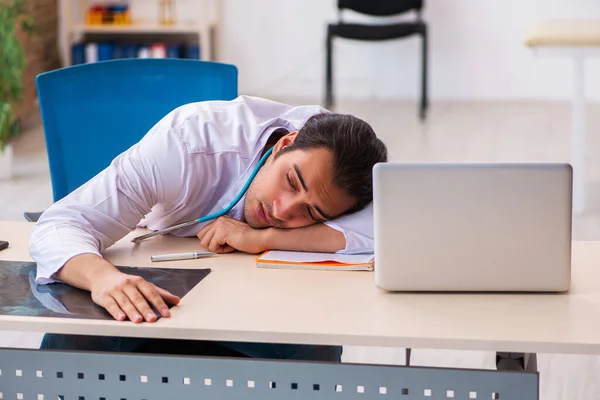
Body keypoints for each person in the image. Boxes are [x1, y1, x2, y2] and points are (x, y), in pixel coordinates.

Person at [29, 95, 388, 361]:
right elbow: (63, 222)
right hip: (166, 280)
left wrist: (260, 237)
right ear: (284, 144)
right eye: (291, 182)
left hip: (258, 299)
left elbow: (387, 230)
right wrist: (103, 278)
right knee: (71, 340)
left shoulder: (348, 170)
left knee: (314, 350)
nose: (282, 210)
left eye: (311, 212)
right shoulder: (187, 143)